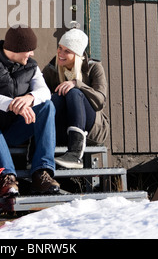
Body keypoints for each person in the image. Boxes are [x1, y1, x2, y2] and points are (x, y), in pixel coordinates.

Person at [0, 25, 60, 199]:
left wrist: (30, 97)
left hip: (11, 131)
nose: (32, 54)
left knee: (47, 107)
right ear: (17, 49)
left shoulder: (31, 66)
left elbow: (45, 93)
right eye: (29, 50)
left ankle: (41, 173)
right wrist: (11, 104)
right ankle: (6, 177)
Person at [42, 27, 109, 169]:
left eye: (67, 51)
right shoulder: (51, 70)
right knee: (56, 97)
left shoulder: (94, 68)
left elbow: (100, 101)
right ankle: (37, 151)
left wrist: (77, 84)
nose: (60, 53)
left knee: (73, 92)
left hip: (91, 129)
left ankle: (75, 154)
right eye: (60, 48)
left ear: (77, 54)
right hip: (61, 130)